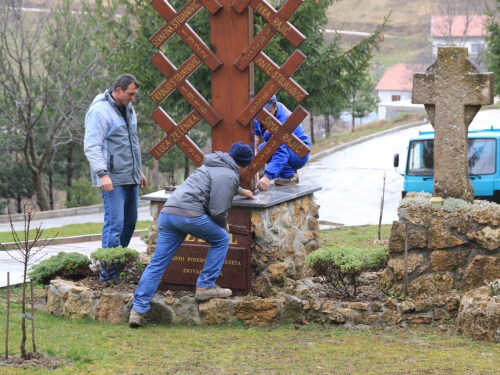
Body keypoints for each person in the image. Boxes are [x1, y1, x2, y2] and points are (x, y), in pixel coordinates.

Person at [129, 141, 256, 328]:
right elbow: (218, 210)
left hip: (168, 213)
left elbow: (218, 181)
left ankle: (137, 311)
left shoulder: (212, 164)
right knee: (221, 238)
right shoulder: (230, 174)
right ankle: (205, 285)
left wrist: (241, 190)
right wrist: (224, 225)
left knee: (157, 263)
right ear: (244, 165)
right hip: (189, 215)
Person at [84, 74, 148, 283]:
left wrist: (139, 171)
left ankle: (117, 266)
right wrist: (103, 174)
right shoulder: (100, 111)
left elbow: (132, 143)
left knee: (130, 223)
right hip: (111, 179)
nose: (133, 98)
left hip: (130, 176)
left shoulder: (128, 109)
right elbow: (91, 145)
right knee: (115, 225)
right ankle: (108, 275)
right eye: (130, 94)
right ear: (118, 91)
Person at [254, 95, 311, 191]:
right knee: (262, 148)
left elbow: (281, 152)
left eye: (270, 112)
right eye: (264, 113)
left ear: (275, 107)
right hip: (285, 149)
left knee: (270, 148)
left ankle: (289, 176)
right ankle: (283, 174)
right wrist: (255, 133)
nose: (267, 117)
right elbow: (257, 119)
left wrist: (268, 176)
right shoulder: (264, 112)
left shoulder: (283, 122)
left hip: (299, 153)